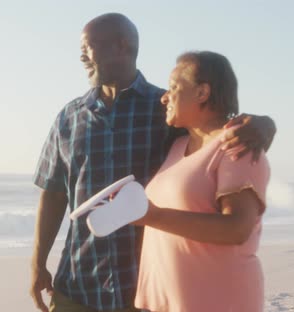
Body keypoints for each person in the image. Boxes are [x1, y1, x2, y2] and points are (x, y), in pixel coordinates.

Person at [30, 13, 276, 312]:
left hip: (142, 289)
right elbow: (54, 193)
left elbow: (214, 132)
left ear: (122, 46)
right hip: (78, 283)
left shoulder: (167, 112)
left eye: (89, 46)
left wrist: (264, 124)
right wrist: (38, 263)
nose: (81, 55)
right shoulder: (68, 117)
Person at [133, 51, 269, 312]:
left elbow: (238, 228)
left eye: (173, 87)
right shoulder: (177, 147)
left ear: (202, 93)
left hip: (217, 301)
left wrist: (151, 216)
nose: (164, 97)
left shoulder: (237, 145)